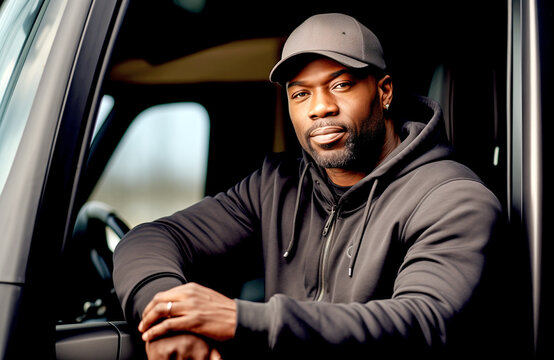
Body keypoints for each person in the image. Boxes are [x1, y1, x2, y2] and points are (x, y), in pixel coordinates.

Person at [113, 12, 502, 359]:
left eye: (341, 85)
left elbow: (422, 323)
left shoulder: (453, 198)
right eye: (301, 94)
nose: (319, 108)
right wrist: (167, 316)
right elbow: (151, 238)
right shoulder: (277, 185)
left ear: (383, 91)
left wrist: (242, 319)